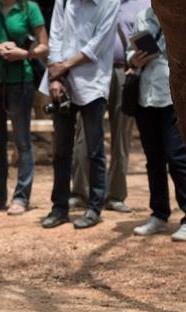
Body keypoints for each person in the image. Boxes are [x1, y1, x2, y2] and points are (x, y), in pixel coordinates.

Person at [40, 0, 119, 229]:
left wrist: (62, 67)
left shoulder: (109, 3)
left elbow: (99, 44)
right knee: (61, 150)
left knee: (94, 150)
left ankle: (94, 207)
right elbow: (54, 37)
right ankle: (59, 208)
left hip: (93, 84)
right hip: (62, 84)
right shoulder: (63, 1)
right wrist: (55, 78)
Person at [69, 0, 148, 214]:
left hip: (124, 71)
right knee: (83, 133)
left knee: (121, 135)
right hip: (91, 71)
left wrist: (139, 65)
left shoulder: (144, 3)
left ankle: (116, 195)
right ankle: (80, 192)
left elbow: (150, 38)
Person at [127, 6, 186, 242]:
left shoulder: (182, 14)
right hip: (145, 96)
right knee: (153, 159)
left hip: (172, 96)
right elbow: (129, 52)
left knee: (176, 157)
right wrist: (133, 58)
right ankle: (159, 214)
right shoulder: (141, 16)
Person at [0, 0, 47, 216]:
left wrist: (23, 54)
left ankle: (21, 197)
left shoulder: (29, 8)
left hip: (21, 81)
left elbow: (44, 46)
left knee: (22, 141)